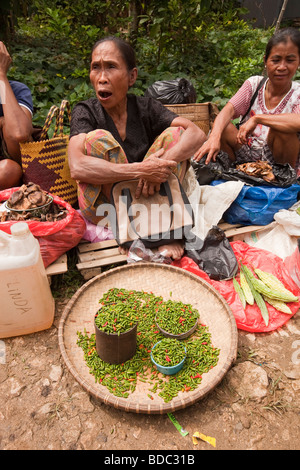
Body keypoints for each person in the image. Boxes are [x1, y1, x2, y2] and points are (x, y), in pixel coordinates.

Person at [68, 36, 206, 260]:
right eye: (96, 68)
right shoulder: (85, 110)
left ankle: (149, 229)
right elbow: (77, 166)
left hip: (150, 197)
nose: (102, 78)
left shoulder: (145, 107)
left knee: (176, 135)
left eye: (111, 67)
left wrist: (159, 167)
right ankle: (130, 230)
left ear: (132, 76)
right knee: (96, 139)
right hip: (106, 207)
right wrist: (142, 170)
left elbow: (197, 134)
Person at [193, 27, 300, 174]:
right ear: (265, 61)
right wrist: (214, 137)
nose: (282, 67)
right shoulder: (254, 84)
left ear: (298, 62)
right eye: (275, 60)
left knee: (283, 130)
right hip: (246, 155)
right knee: (223, 126)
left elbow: (298, 121)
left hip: (278, 163)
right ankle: (233, 173)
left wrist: (258, 119)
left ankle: (280, 183)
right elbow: (228, 110)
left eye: (290, 60)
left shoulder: (298, 93)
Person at [0, 41, 33, 190]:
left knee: (9, 170)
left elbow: (19, 133)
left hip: (9, 171)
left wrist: (1, 77)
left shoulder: (16, 90)